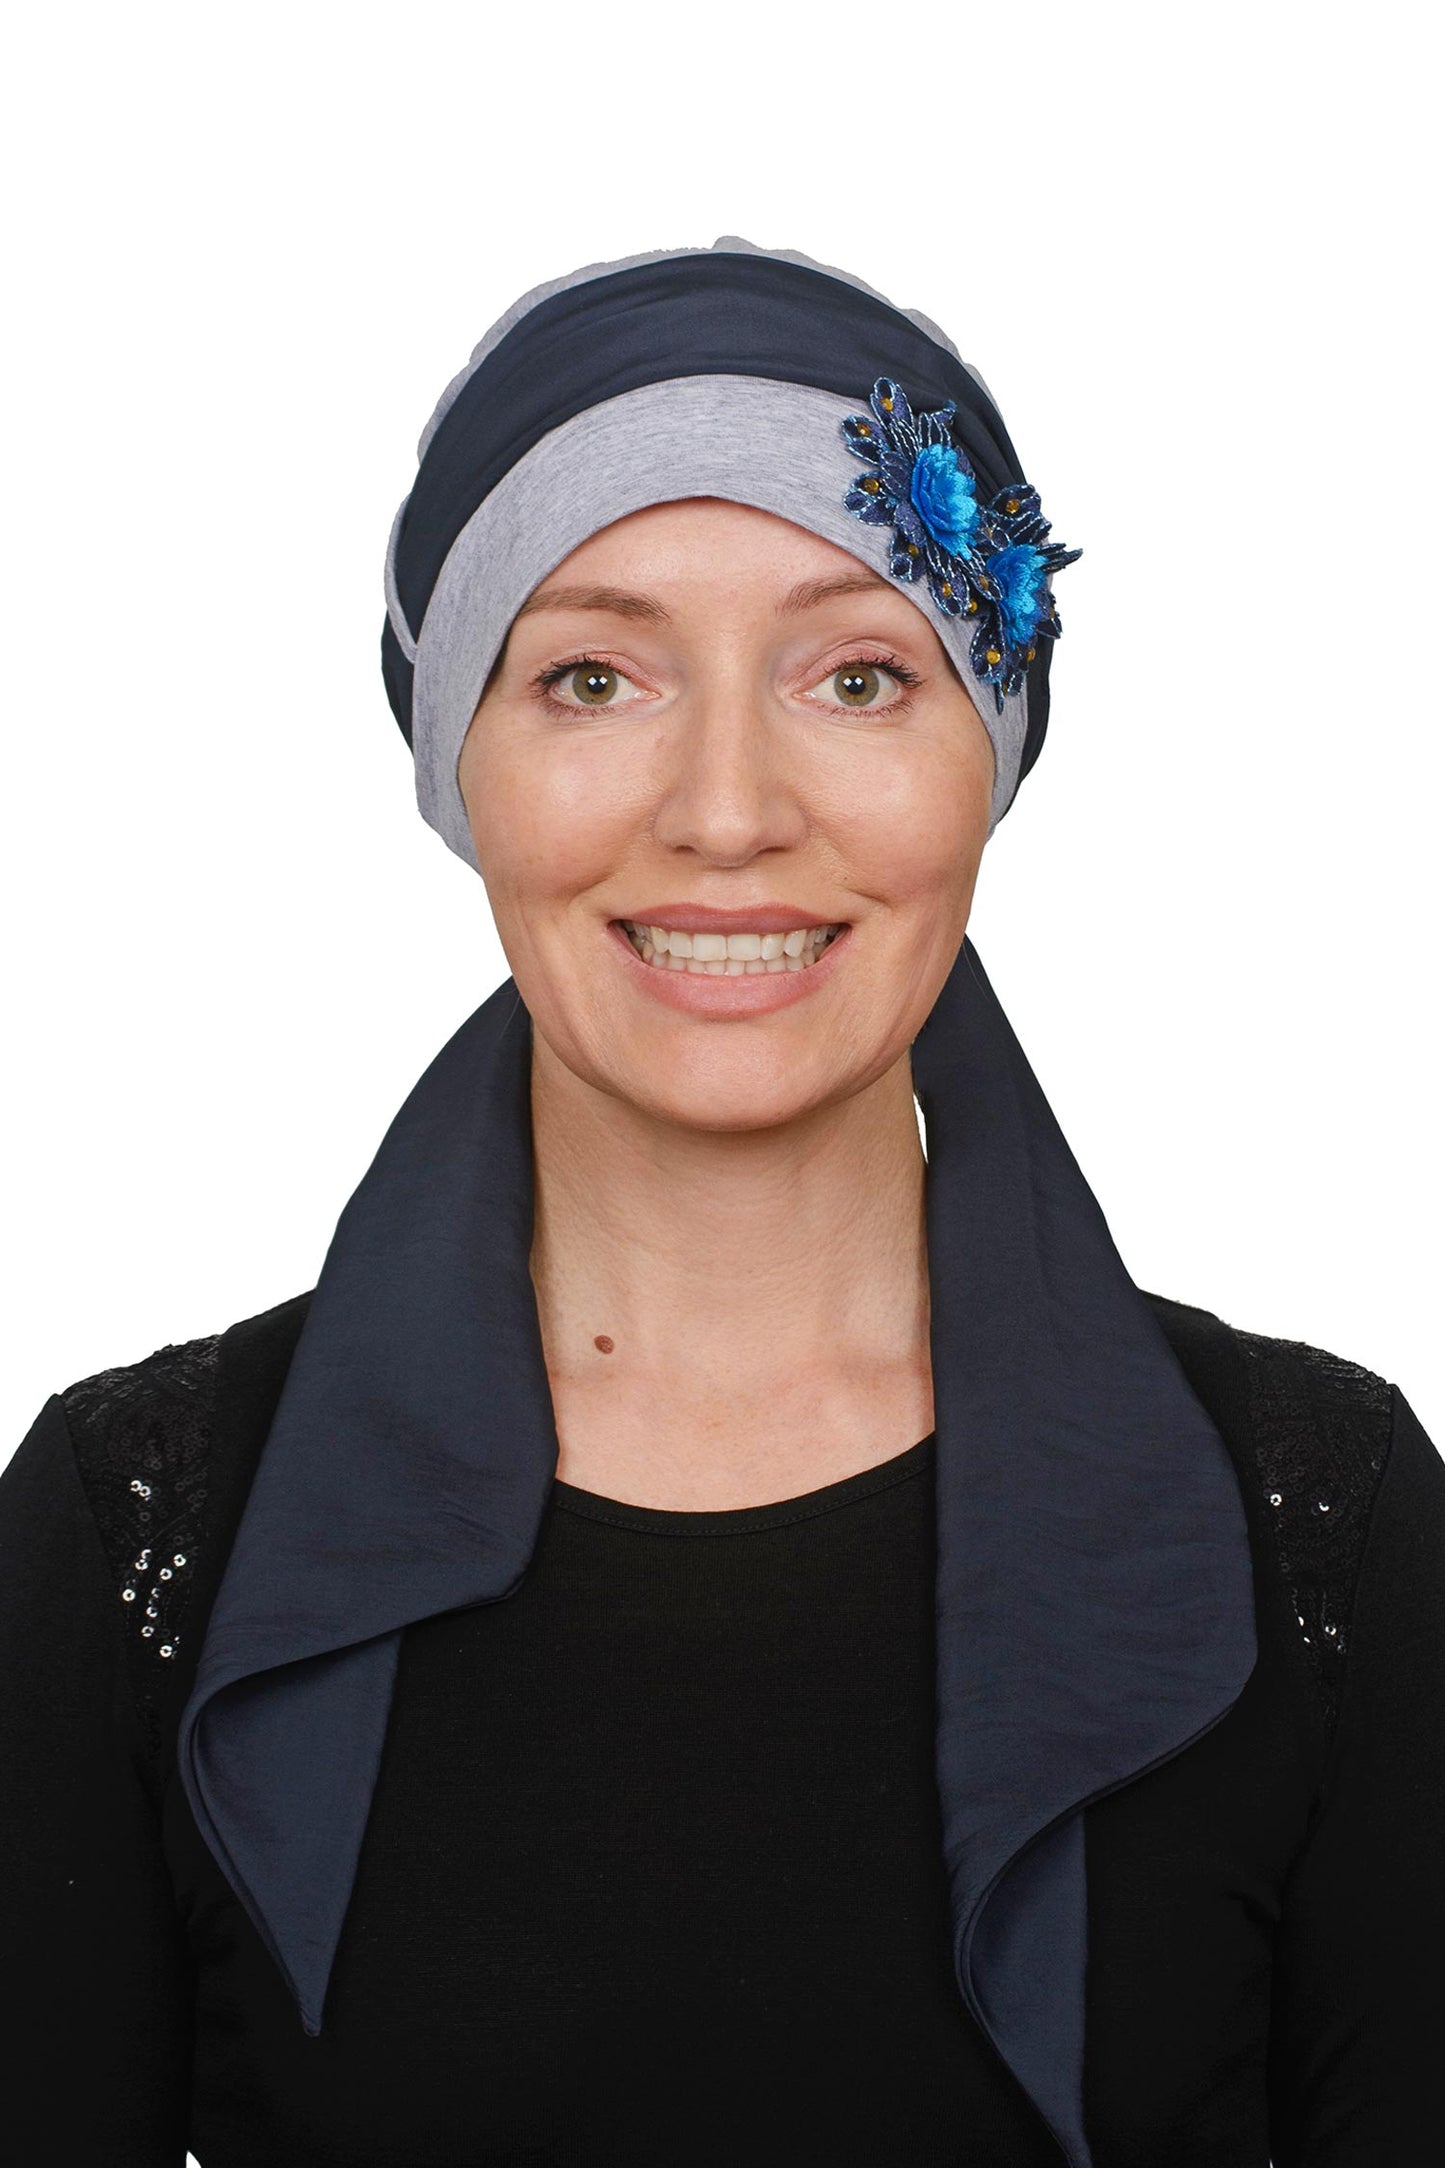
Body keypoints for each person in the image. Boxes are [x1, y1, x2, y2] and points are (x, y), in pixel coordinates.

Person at [2, 238, 1441, 2168]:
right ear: (463, 764)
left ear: (983, 760)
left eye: (857, 673)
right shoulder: (140, 1535)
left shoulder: (1322, 1525)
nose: (727, 808)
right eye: (593, 675)